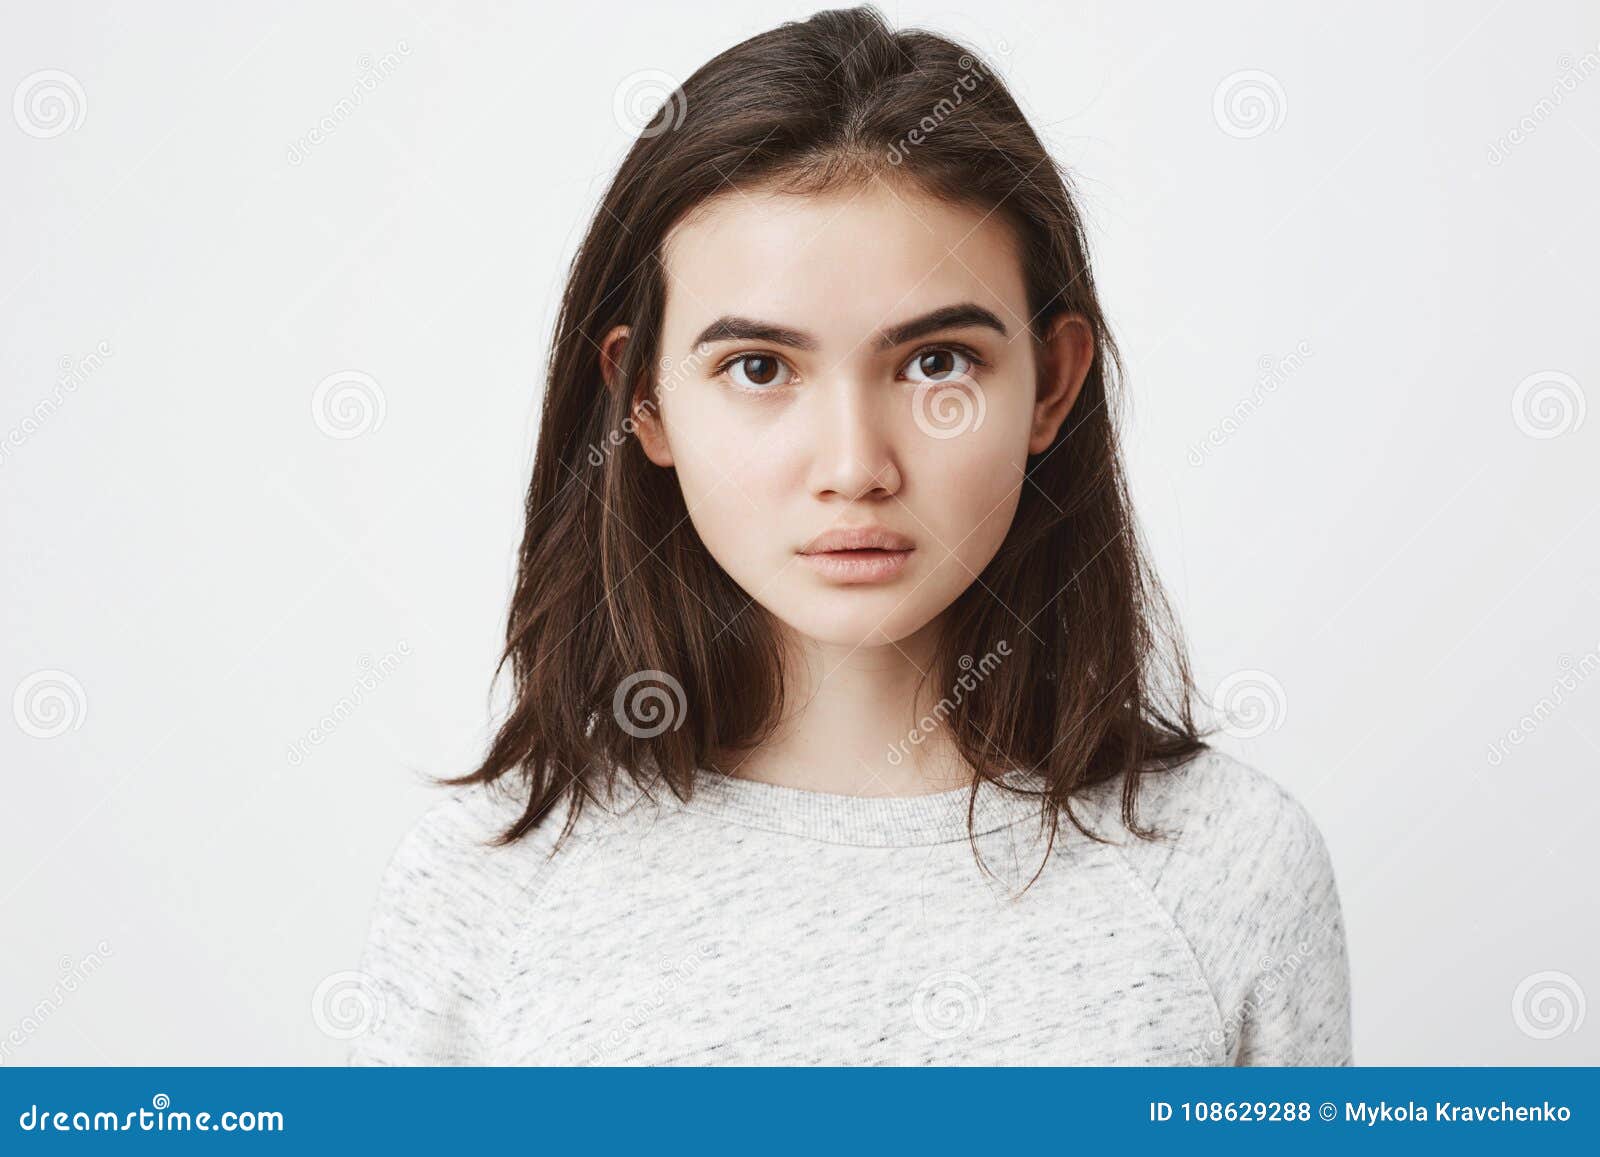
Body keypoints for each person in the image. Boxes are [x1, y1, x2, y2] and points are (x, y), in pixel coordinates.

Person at [348, 4, 1351, 1066]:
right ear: (642, 398)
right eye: (760, 368)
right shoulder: (487, 881)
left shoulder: (1227, 869)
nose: (854, 466)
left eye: (935, 363)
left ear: (1051, 383)